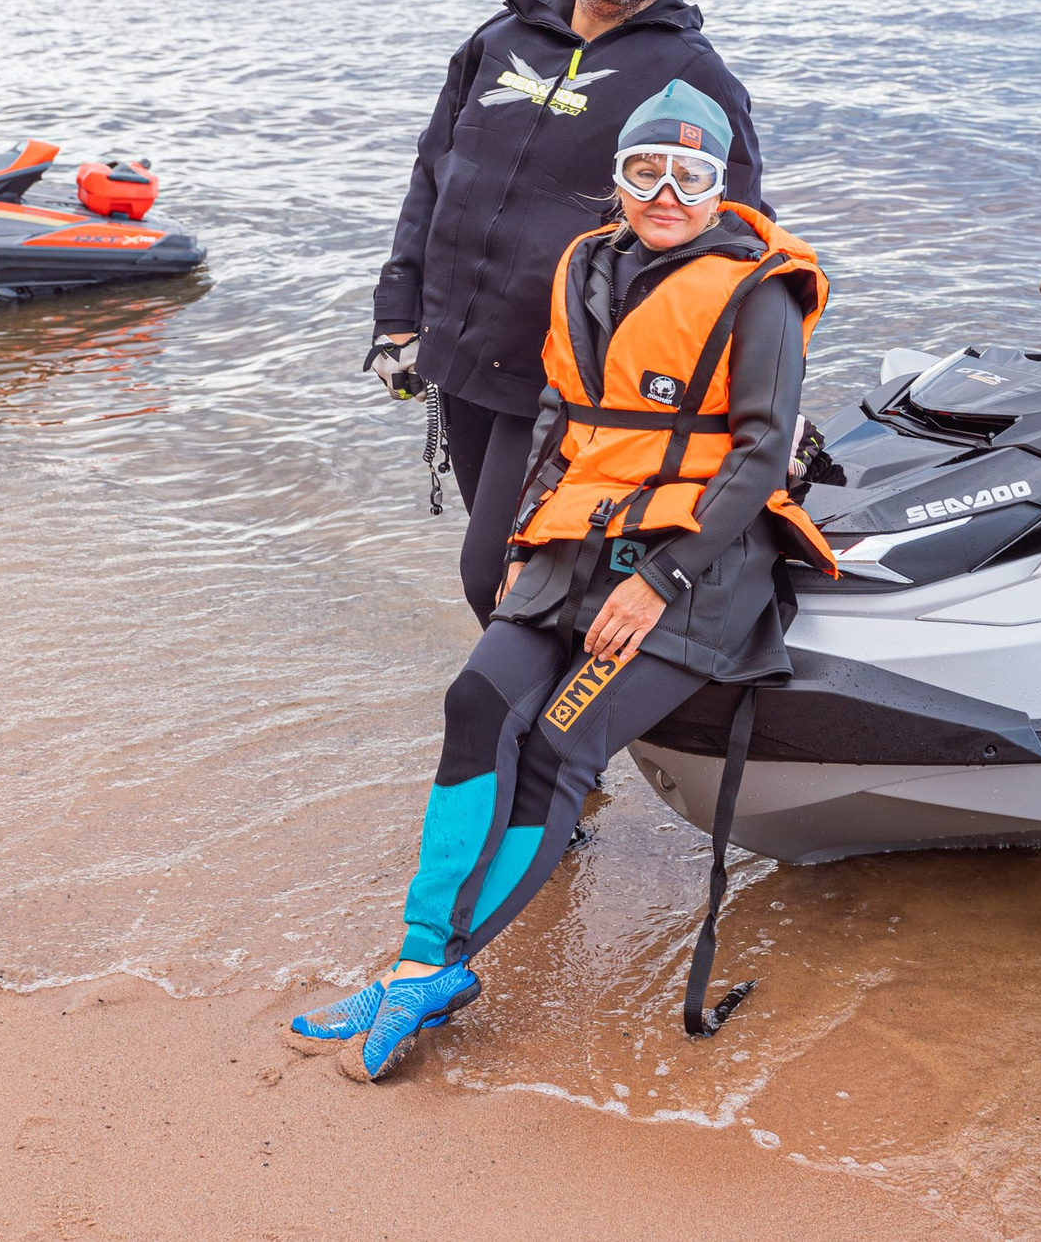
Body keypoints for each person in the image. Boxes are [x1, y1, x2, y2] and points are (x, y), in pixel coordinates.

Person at [293, 82, 833, 1082]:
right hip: (574, 545)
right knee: (475, 700)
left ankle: (425, 972)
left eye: (690, 174)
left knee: (554, 749)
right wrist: (512, 550)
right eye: (644, 170)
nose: (666, 192)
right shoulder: (586, 267)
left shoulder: (760, 291)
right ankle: (427, 957)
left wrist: (660, 582)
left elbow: (758, 461)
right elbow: (556, 415)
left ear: (719, 186)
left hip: (694, 571)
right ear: (617, 179)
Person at [372, 0, 767, 625]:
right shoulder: (500, 40)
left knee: (499, 574)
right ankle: (536, 733)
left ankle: (539, 735)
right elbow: (433, 171)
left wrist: (740, 397)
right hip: (461, 358)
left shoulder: (691, 73)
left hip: (568, 380)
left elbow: (740, 238)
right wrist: (397, 310)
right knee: (520, 585)